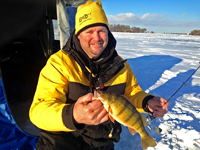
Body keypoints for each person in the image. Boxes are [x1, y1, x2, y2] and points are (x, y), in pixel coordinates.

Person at [29, 0, 169, 150]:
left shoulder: (121, 66)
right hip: (62, 140)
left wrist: (147, 101)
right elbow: (39, 111)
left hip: (102, 141)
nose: (97, 38)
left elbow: (131, 93)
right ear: (78, 35)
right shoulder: (59, 63)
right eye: (89, 32)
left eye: (101, 31)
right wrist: (73, 116)